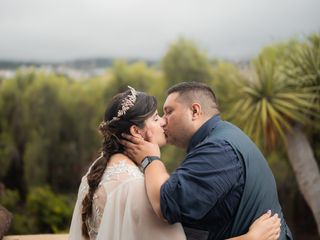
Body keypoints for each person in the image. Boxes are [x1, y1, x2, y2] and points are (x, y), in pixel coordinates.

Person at [68, 86, 281, 240]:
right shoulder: (137, 187)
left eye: (167, 113)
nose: (163, 121)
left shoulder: (94, 174)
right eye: (157, 117)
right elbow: (167, 204)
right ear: (136, 131)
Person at [121, 82, 293, 240]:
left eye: (169, 112)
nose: (163, 122)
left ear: (195, 111)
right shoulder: (222, 137)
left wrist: (150, 159)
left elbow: (167, 205)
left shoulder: (218, 150)